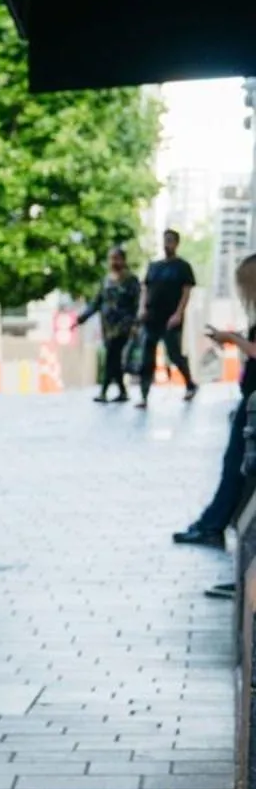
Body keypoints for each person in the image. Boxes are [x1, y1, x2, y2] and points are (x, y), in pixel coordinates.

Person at [175, 253, 256, 553]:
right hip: (249, 398)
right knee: (233, 463)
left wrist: (232, 339)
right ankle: (212, 522)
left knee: (235, 463)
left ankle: (212, 525)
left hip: (253, 403)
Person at [137, 227, 199, 406]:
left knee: (174, 354)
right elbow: (145, 289)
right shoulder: (154, 266)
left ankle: (190, 384)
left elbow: (186, 291)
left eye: (171, 240)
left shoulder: (182, 267)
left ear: (177, 243)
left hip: (171, 318)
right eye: (165, 240)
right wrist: (142, 309)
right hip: (152, 317)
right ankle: (144, 395)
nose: (167, 244)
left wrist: (179, 313)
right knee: (147, 357)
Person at [76, 246, 140, 404]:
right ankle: (122, 391)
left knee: (112, 356)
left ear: (123, 260)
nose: (114, 262)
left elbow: (137, 304)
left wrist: (135, 324)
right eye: (111, 258)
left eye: (117, 258)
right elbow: (97, 302)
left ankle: (103, 391)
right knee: (114, 358)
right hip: (107, 327)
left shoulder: (131, 280)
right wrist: (83, 317)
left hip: (123, 326)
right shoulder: (106, 281)